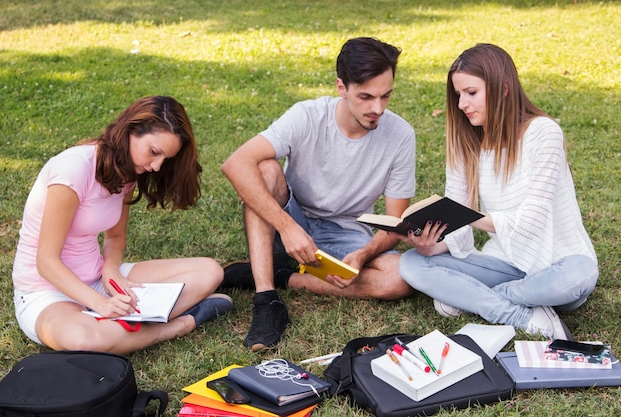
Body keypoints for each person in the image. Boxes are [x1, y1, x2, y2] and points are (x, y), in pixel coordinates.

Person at [221, 37, 417, 352]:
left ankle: (287, 276)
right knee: (265, 169)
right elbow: (236, 163)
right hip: (292, 215)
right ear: (342, 87)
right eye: (365, 97)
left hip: (346, 231)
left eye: (385, 96)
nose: (377, 108)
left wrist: (364, 255)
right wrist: (286, 227)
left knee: (400, 279)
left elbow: (394, 220)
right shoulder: (308, 116)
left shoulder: (401, 135)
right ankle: (267, 297)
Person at [397, 44, 598, 340]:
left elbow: (532, 221)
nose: (462, 103)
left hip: (558, 265)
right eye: (458, 95)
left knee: (581, 273)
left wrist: (464, 215)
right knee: (411, 263)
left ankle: (477, 297)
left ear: (503, 88)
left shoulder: (544, 133)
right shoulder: (466, 144)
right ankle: (517, 314)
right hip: (505, 264)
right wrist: (429, 244)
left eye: (471, 92)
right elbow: (458, 236)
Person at [12, 96, 232, 354]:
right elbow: (46, 262)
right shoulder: (71, 171)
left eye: (165, 159)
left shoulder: (127, 173)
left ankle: (122, 325)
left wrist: (111, 269)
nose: (156, 166)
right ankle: (177, 325)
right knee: (81, 340)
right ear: (130, 130)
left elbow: (115, 238)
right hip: (46, 292)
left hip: (98, 279)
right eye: (154, 152)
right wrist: (99, 303)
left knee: (209, 272)